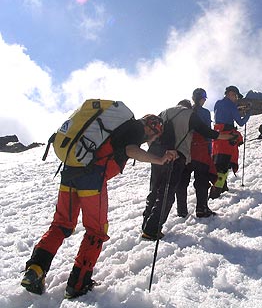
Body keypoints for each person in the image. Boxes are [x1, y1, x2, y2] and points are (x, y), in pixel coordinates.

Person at [21, 114, 176, 299]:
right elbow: (131, 149)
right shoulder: (134, 128)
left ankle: (35, 269)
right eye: (155, 134)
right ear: (150, 127)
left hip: (71, 172)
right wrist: (158, 160)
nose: (153, 139)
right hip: (92, 180)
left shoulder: (115, 129)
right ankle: (78, 284)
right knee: (96, 231)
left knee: (61, 224)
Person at [142, 100, 237, 239]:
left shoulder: (164, 111)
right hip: (176, 155)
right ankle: (152, 229)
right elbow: (209, 133)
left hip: (155, 154)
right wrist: (229, 136)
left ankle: (146, 224)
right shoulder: (189, 115)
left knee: (154, 189)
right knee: (166, 192)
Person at [176, 88, 219, 218]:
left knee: (182, 181)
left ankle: (181, 210)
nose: (205, 100)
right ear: (201, 98)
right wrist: (209, 152)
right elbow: (207, 132)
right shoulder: (205, 113)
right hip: (200, 150)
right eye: (204, 98)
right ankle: (202, 209)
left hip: (184, 151)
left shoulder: (185, 111)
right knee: (201, 180)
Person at [209, 85, 249, 199]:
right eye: (236, 96)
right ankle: (215, 193)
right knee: (224, 164)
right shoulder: (231, 105)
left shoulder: (218, 103)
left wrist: (237, 109)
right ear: (231, 94)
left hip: (217, 136)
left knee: (219, 162)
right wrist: (248, 114)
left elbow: (224, 114)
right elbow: (240, 123)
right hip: (227, 138)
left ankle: (223, 186)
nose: (236, 99)